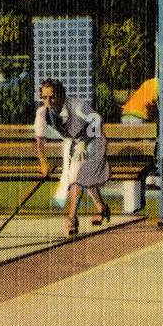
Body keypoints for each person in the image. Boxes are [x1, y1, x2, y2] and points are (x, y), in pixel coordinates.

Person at [34, 78, 110, 237]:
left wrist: (84, 142)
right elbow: (40, 140)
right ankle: (102, 208)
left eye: (52, 97)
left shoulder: (77, 106)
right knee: (80, 173)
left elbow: (97, 121)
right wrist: (43, 163)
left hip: (94, 140)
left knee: (77, 173)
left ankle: (72, 217)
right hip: (74, 143)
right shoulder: (42, 113)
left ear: (61, 95)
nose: (48, 102)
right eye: (44, 98)